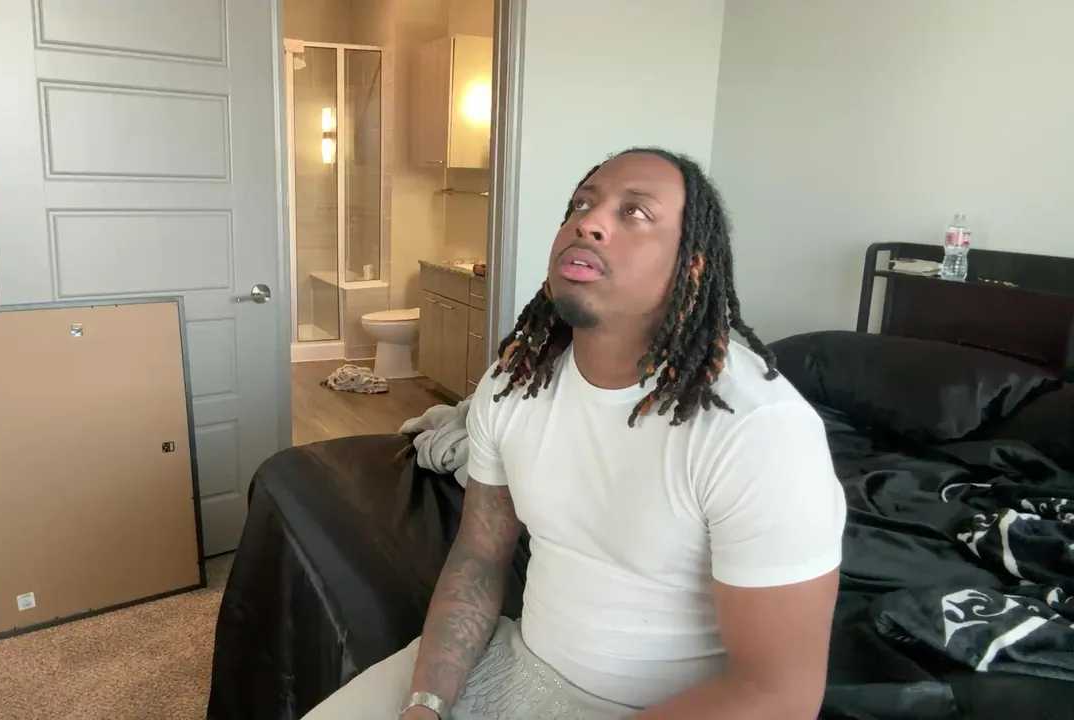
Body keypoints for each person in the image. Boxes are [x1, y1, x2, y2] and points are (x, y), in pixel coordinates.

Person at [304, 147, 847, 719]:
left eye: (635, 212)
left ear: (692, 268)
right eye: (582, 204)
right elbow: (480, 555)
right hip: (520, 670)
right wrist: (426, 705)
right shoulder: (513, 385)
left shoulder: (760, 429)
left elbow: (780, 696)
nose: (589, 222)